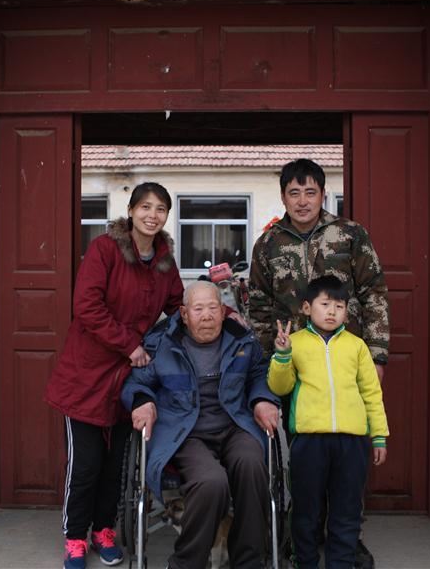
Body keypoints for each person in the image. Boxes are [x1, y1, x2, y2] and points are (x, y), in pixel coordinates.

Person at [248, 157, 389, 566]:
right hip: (296, 364)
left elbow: (374, 293)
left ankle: (347, 538)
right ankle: (303, 541)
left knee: (348, 455)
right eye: (294, 193)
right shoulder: (269, 244)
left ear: (323, 194)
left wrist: (377, 353)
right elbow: (258, 305)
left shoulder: (349, 235)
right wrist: (271, 361)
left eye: (310, 192)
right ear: (283, 197)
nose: (303, 201)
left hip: (348, 360)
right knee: (306, 459)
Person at [45, 183, 184, 569]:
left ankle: (103, 530)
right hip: (87, 374)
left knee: (115, 466)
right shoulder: (105, 249)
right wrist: (129, 344)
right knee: (86, 464)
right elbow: (86, 306)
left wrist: (215, 315)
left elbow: (178, 306)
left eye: (160, 209)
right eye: (146, 207)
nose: (152, 215)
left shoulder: (164, 261)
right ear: (131, 210)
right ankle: (75, 537)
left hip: (128, 378)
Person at [122, 281, 280, 569]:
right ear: (184, 314)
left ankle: (248, 561)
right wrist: (142, 401)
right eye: (198, 309)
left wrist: (262, 400)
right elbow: (137, 382)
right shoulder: (163, 343)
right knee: (211, 482)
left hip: (233, 425)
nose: (206, 316)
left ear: (222, 311)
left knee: (252, 464)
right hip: (186, 433)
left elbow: (260, 373)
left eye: (212, 308)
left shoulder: (241, 340)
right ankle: (186, 563)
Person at [268, 275, 389, 569]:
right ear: (307, 308)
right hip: (310, 441)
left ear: (347, 311)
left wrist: (378, 436)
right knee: (305, 510)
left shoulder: (357, 346)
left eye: (339, 306)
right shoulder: (295, 343)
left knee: (347, 510)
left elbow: (371, 393)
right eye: (325, 304)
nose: (332, 312)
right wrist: (282, 355)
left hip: (352, 442)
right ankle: (305, 562)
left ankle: (341, 563)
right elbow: (280, 387)